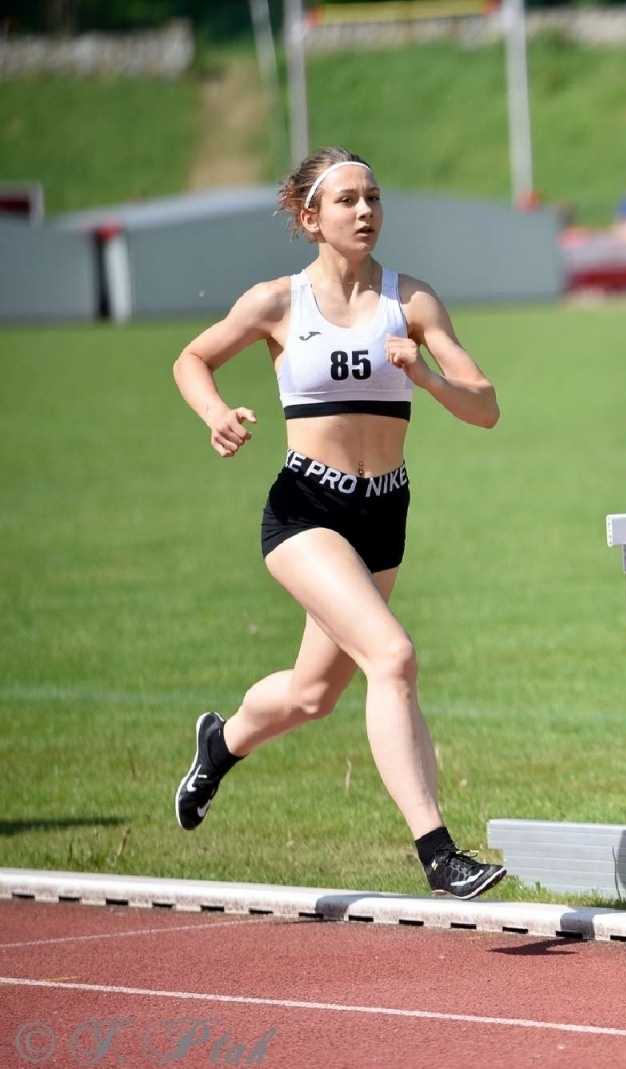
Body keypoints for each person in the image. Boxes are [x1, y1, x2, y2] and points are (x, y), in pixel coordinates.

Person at [171, 147, 506, 900]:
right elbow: (193, 358)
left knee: (311, 695)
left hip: (385, 510)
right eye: (348, 199)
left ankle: (219, 745)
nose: (365, 211)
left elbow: (485, 405)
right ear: (309, 216)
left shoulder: (411, 300)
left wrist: (423, 374)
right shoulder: (277, 302)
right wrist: (215, 412)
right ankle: (438, 852)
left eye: (374, 197)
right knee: (391, 655)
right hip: (306, 510)